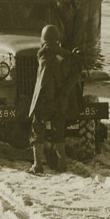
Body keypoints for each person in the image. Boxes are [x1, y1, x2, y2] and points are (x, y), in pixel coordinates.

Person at [28, 23, 79, 174]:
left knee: (36, 129)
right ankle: (62, 163)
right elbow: (73, 78)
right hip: (61, 100)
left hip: (46, 100)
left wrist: (43, 100)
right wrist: (62, 95)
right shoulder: (66, 56)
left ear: (43, 40)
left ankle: (37, 165)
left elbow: (45, 80)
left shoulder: (45, 55)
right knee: (59, 131)